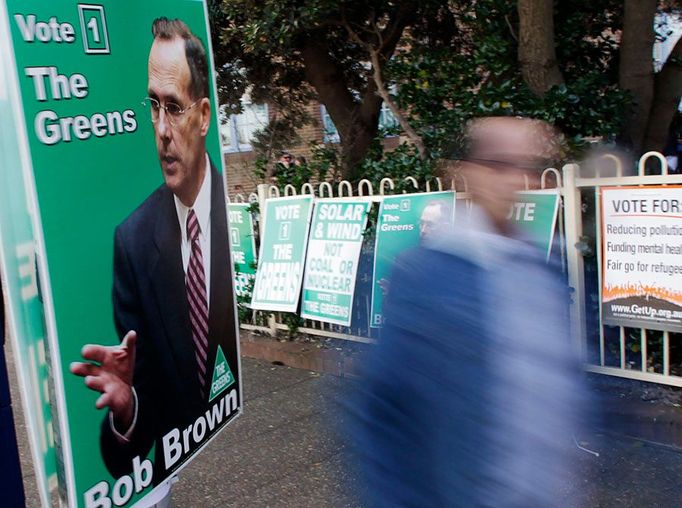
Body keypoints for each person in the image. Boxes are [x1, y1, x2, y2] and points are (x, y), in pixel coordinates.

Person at [348, 116, 588, 506]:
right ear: (467, 173)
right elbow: (384, 413)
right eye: (499, 165)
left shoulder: (544, 271)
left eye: (526, 167)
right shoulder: (424, 275)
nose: (516, 180)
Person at [70, 17, 239, 484]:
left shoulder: (233, 213)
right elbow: (129, 449)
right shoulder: (134, 242)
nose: (162, 130)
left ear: (204, 116)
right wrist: (127, 408)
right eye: (152, 106)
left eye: (175, 108)